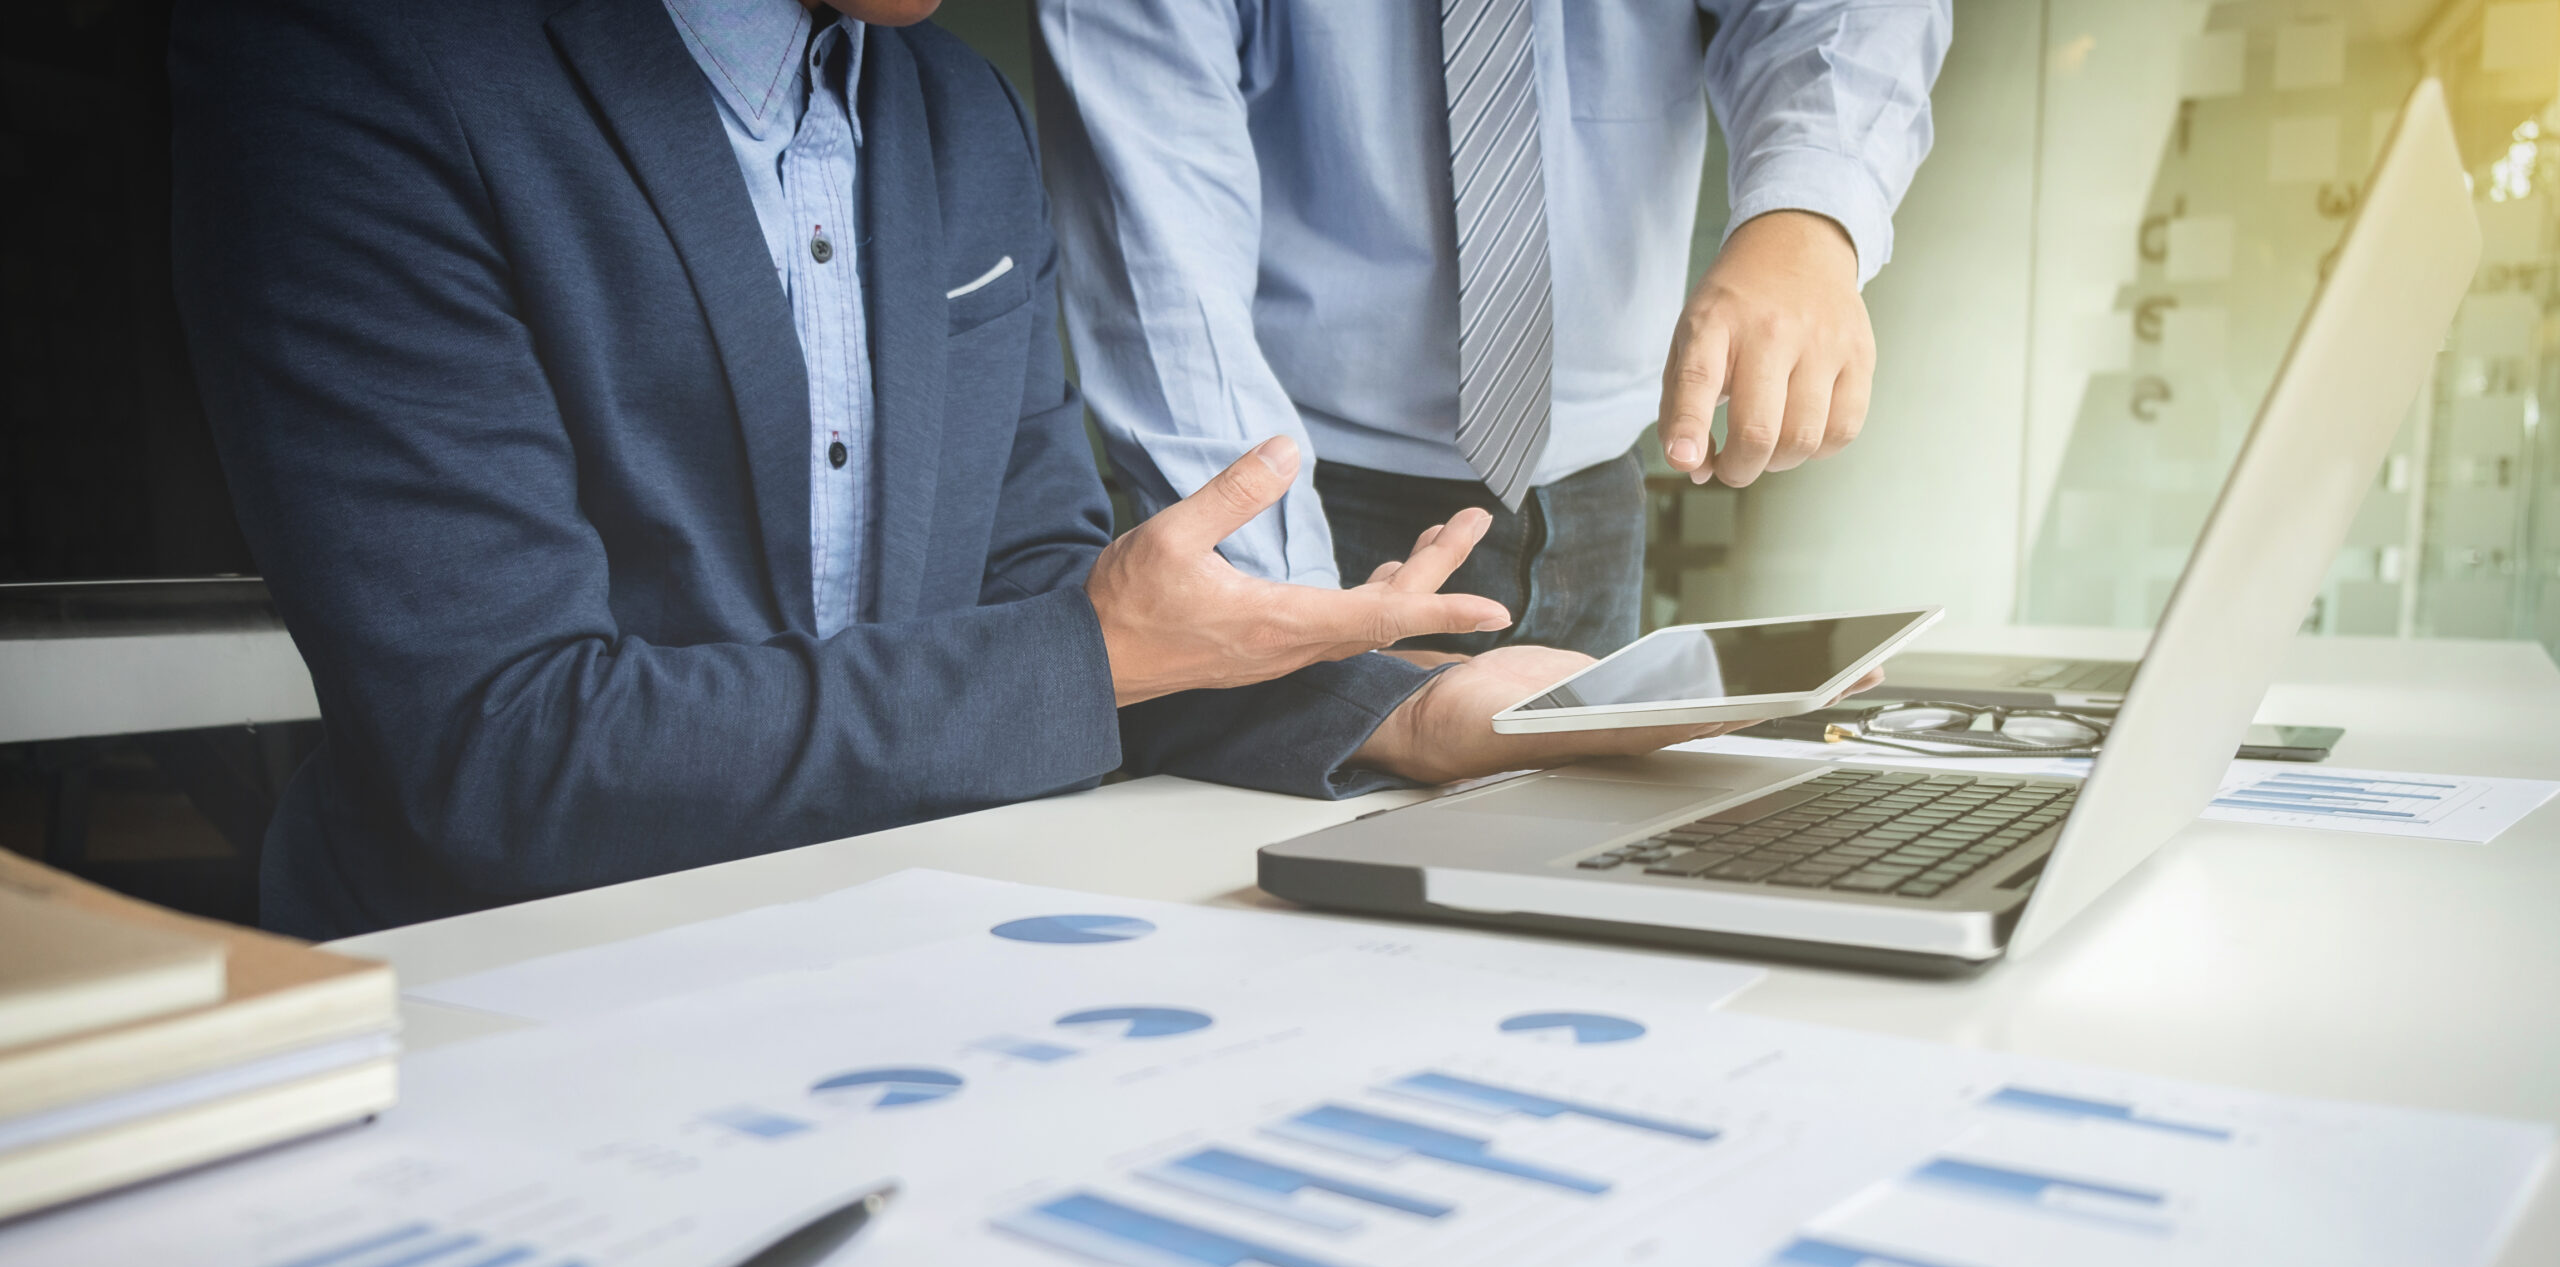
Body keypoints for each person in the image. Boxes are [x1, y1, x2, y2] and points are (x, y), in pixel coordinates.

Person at [169, 0, 1796, 941]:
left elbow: (1042, 605)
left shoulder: (954, 110)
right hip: (497, 989)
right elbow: (508, 753)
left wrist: (1399, 714)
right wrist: (1091, 650)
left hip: (899, 937)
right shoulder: (350, 66)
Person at [1033, 0, 1950, 659]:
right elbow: (1160, 256)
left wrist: (1807, 218)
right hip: (1302, 511)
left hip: (1596, 497)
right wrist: (1298, 624)